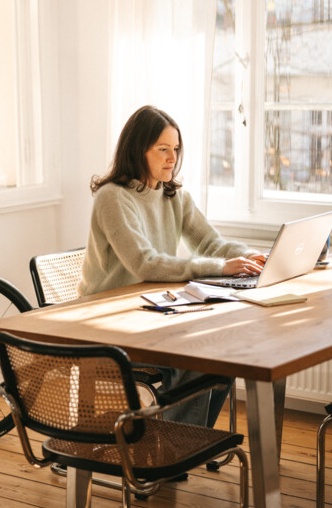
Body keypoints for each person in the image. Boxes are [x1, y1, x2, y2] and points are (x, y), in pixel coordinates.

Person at [78, 105, 266, 428]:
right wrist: (221, 268)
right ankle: (177, 443)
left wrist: (254, 258)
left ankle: (183, 440)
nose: (172, 158)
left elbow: (212, 244)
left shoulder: (174, 196)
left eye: (176, 149)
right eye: (162, 149)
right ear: (138, 150)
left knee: (226, 346)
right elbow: (145, 264)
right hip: (108, 326)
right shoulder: (113, 197)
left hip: (151, 316)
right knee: (200, 352)